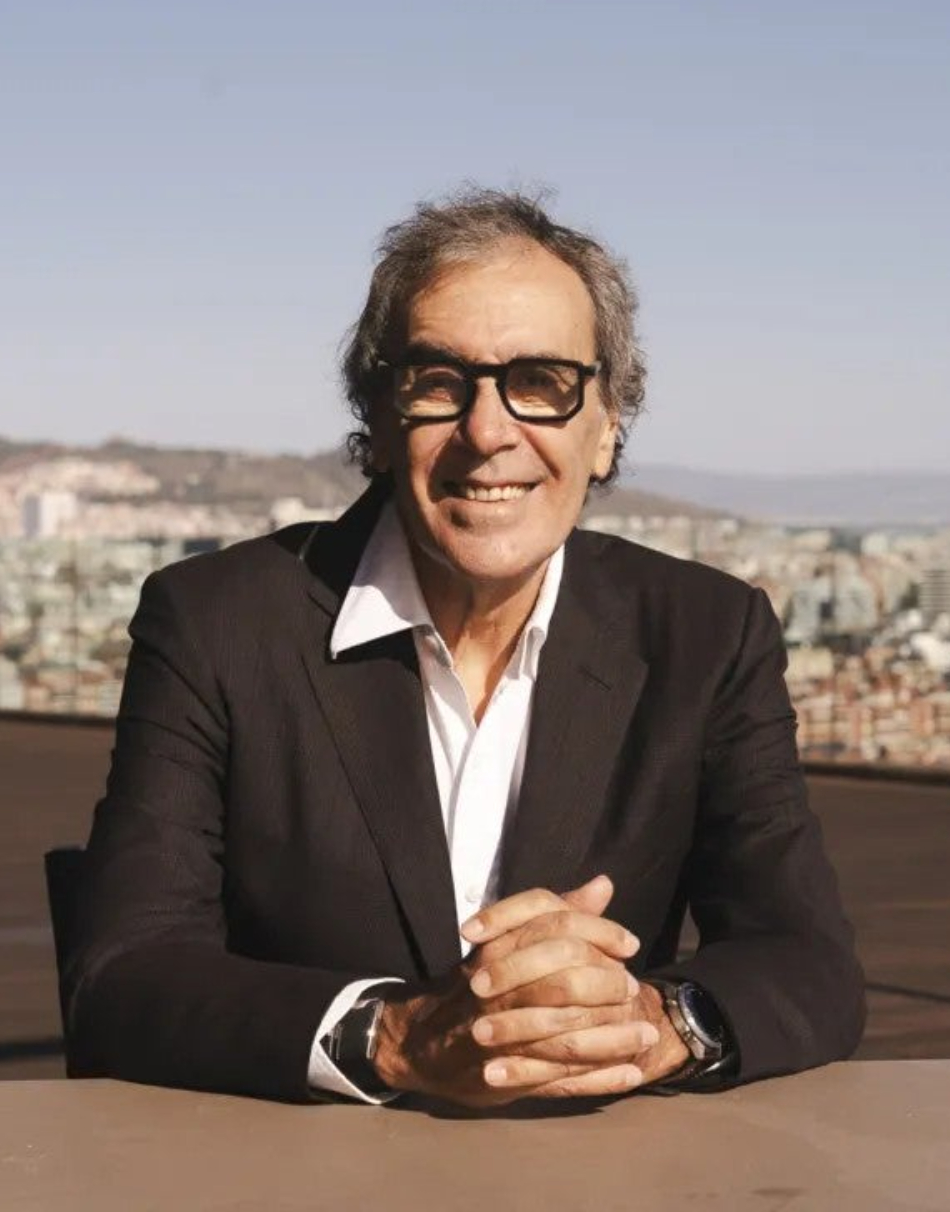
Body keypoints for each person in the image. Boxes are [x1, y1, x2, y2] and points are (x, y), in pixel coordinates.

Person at [63, 189, 864, 1106]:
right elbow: (121, 973)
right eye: (439, 380)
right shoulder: (217, 624)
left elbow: (809, 960)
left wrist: (653, 1024)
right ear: (379, 417)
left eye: (543, 382)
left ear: (607, 428)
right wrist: (394, 1036)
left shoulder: (707, 634)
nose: (488, 431)